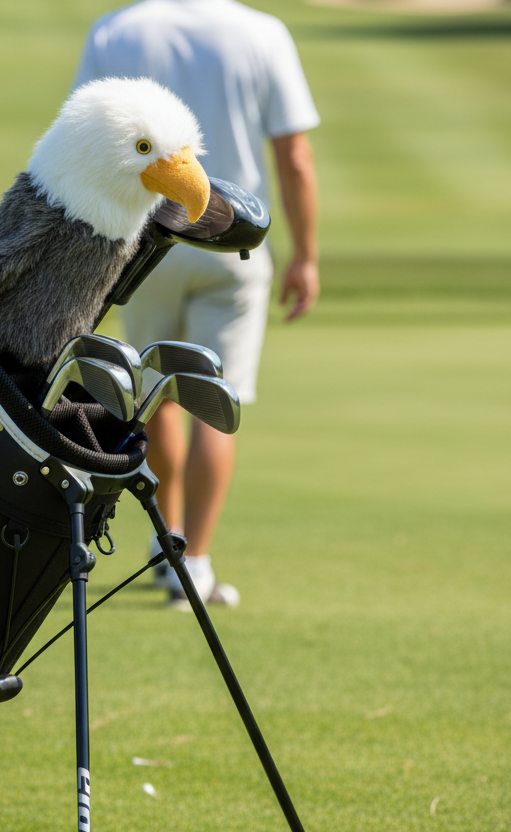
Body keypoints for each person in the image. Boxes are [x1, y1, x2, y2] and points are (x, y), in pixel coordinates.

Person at [73, 0, 321, 609]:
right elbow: (294, 158)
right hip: (230, 244)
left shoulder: (117, 29)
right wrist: (306, 256)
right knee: (216, 397)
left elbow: (85, 146)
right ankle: (197, 565)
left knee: (158, 393)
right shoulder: (262, 32)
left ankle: (168, 549)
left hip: (144, 241)